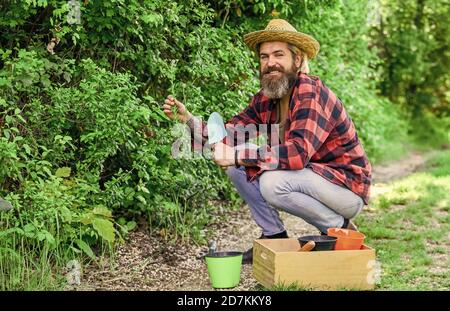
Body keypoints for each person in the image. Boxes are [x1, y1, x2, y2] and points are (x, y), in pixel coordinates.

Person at [162, 19, 372, 264]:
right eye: (264, 56)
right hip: (313, 179)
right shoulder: (267, 98)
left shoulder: (310, 92)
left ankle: (341, 229)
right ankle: (273, 236)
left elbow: (297, 154)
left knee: (271, 181)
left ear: (297, 59)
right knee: (237, 163)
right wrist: (188, 120)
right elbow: (229, 135)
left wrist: (238, 155)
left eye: (278, 54)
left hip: (346, 188)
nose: (270, 62)